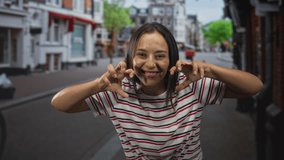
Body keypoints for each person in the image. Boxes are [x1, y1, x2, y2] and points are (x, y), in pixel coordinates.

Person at [51, 22, 263, 160]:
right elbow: (59, 103)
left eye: (160, 56)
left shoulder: (191, 86)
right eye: (142, 54)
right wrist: (98, 84)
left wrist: (211, 70)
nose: (150, 64)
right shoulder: (117, 93)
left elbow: (254, 87)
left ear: (172, 59)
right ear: (130, 59)